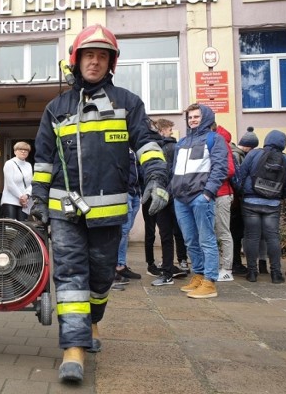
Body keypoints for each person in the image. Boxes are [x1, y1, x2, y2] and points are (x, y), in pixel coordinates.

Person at [30, 24, 169, 382]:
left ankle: (92, 322)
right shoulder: (56, 108)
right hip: (66, 212)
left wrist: (156, 178)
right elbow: (43, 161)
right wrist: (38, 201)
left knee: (102, 277)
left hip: (109, 213)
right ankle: (72, 350)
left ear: (111, 63)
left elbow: (147, 144)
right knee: (70, 275)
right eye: (88, 55)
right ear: (76, 61)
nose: (94, 62)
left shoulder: (127, 103)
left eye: (101, 56)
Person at [170, 104, 228, 299]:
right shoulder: (182, 142)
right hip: (181, 199)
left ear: (206, 118)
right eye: (190, 117)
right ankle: (199, 275)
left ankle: (210, 282)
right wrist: (173, 190)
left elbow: (220, 168)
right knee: (190, 240)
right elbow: (175, 168)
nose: (193, 120)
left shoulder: (214, 139)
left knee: (206, 240)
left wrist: (208, 193)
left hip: (200, 197)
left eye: (197, 116)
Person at [238, 130, 286, 283]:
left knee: (251, 237)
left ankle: (252, 272)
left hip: (251, 202)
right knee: (272, 238)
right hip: (273, 204)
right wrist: (280, 195)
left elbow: (241, 174)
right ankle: (276, 274)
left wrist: (242, 192)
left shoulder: (254, 154)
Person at [147, 118, 188, 286]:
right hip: (171, 196)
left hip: (164, 196)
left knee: (166, 235)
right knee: (175, 234)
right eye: (170, 130)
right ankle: (172, 268)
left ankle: (168, 271)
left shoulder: (162, 148)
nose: (172, 132)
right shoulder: (174, 147)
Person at [229, 126, 259, 275]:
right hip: (236, 202)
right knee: (236, 233)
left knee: (233, 233)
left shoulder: (234, 152)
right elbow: (238, 180)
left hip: (231, 201)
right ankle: (235, 264)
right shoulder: (238, 156)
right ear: (249, 147)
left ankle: (234, 263)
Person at [212, 125, 236, 283]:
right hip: (211, 195)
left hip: (221, 194)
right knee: (211, 233)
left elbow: (229, 170)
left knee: (223, 232)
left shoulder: (221, 142)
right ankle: (215, 266)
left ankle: (227, 269)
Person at [115, 149, 142, 280]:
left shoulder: (134, 146)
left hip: (135, 192)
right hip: (125, 192)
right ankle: (118, 266)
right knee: (123, 231)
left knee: (125, 231)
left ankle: (120, 264)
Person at [0, 141, 33, 221]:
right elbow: (10, 183)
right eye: (20, 149)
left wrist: (27, 195)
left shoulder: (28, 165)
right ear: (15, 151)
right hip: (10, 200)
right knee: (11, 227)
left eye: (26, 150)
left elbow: (31, 183)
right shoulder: (9, 163)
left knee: (22, 228)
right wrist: (21, 197)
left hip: (24, 202)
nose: (23, 151)